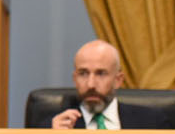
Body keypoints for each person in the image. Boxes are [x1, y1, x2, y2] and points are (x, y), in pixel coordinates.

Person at [34, 39, 167, 129]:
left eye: (101, 74)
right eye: (83, 74)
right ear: (75, 79)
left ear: (118, 80)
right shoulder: (51, 127)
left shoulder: (152, 123)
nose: (91, 84)